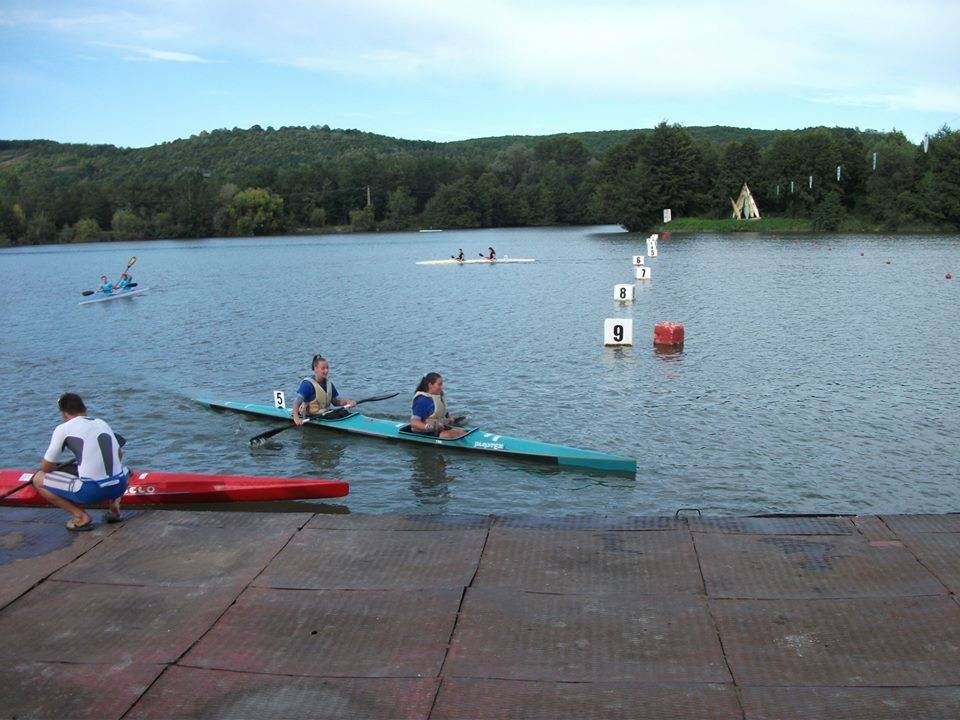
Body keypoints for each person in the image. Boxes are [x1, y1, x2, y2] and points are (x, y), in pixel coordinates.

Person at [31, 393, 129, 531]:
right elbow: (119, 455)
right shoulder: (102, 422)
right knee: (125, 469)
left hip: (90, 492)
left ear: (64, 414)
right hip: (119, 486)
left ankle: (80, 517)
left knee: (38, 479)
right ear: (84, 408)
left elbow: (46, 467)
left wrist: (59, 469)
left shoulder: (63, 429)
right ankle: (114, 509)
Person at [292, 354, 357, 426]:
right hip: (312, 415)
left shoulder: (329, 384)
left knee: (344, 412)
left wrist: (348, 402)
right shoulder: (307, 385)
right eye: (323, 368)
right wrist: (296, 418)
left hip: (325, 413)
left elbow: (335, 402)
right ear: (315, 369)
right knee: (334, 416)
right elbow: (296, 402)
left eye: (327, 368)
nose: (326, 371)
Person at [410, 372, 467, 439]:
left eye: (442, 384)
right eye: (439, 385)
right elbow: (414, 423)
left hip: (438, 429)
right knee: (449, 435)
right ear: (430, 385)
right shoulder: (421, 400)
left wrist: (448, 417)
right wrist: (433, 427)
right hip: (424, 433)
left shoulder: (438, 396)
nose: (441, 387)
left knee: (461, 431)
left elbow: (440, 410)